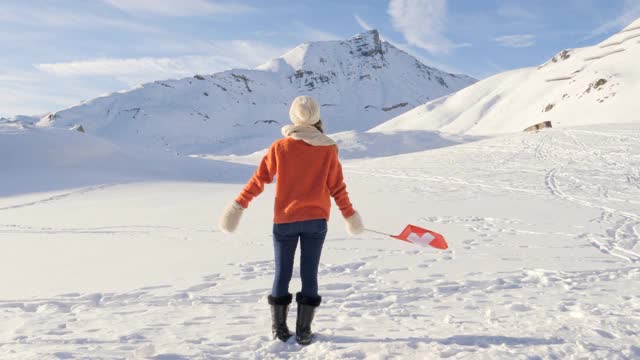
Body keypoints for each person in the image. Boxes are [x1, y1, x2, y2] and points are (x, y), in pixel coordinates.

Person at [219, 95, 364, 345]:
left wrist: (238, 206)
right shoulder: (328, 149)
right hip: (316, 221)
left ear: (293, 117)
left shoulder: (279, 147)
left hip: (285, 220)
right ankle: (304, 332)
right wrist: (350, 215)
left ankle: (279, 329)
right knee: (310, 274)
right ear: (317, 117)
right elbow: (337, 188)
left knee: (282, 273)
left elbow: (258, 180)